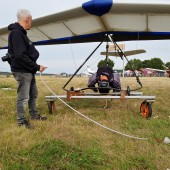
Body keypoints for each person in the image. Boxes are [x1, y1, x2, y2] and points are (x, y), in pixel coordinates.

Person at [7, 9, 47, 129]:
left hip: (28, 70)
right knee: (23, 97)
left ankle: (34, 115)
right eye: (31, 20)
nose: (31, 22)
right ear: (27, 19)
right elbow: (20, 55)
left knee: (33, 94)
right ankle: (21, 121)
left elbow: (24, 54)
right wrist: (37, 67)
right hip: (22, 71)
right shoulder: (16, 33)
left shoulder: (21, 33)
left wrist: (34, 67)